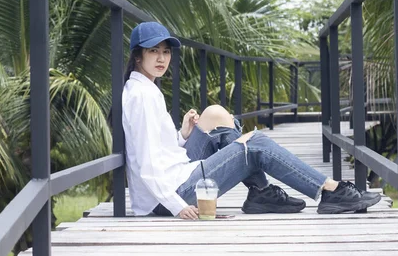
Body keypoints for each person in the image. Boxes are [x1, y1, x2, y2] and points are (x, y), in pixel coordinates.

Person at [122, 22, 381, 220]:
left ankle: (260, 192)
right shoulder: (142, 96)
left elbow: (156, 149)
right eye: (153, 51)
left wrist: (182, 136)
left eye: (165, 52)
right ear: (137, 56)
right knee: (254, 144)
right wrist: (178, 207)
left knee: (215, 114)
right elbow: (146, 164)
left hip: (175, 175)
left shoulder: (145, 89)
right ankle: (328, 190)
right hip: (170, 196)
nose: (161, 59)